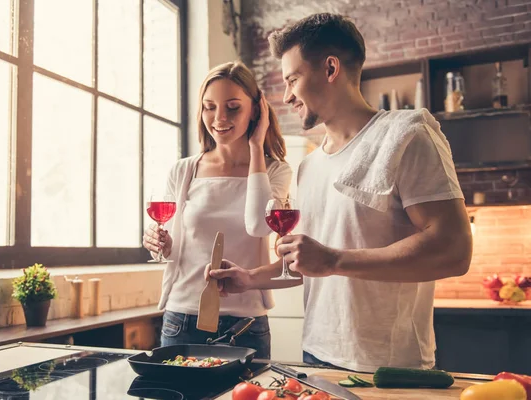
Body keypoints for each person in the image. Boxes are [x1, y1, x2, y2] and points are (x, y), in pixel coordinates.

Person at [208, 14, 473, 372]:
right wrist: (250, 278)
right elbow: (314, 260)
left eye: (293, 79)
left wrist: (334, 261)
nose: (286, 96)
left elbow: (454, 250)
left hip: (387, 366)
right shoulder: (310, 165)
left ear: (330, 68)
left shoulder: (407, 135)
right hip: (316, 355)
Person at [142, 61, 292, 359]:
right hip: (182, 317)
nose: (219, 118)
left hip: (246, 322)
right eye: (209, 107)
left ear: (256, 110)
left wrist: (255, 147)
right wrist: (161, 244)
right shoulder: (184, 170)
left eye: (233, 107)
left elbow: (259, 226)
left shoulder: (276, 171)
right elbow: (174, 250)